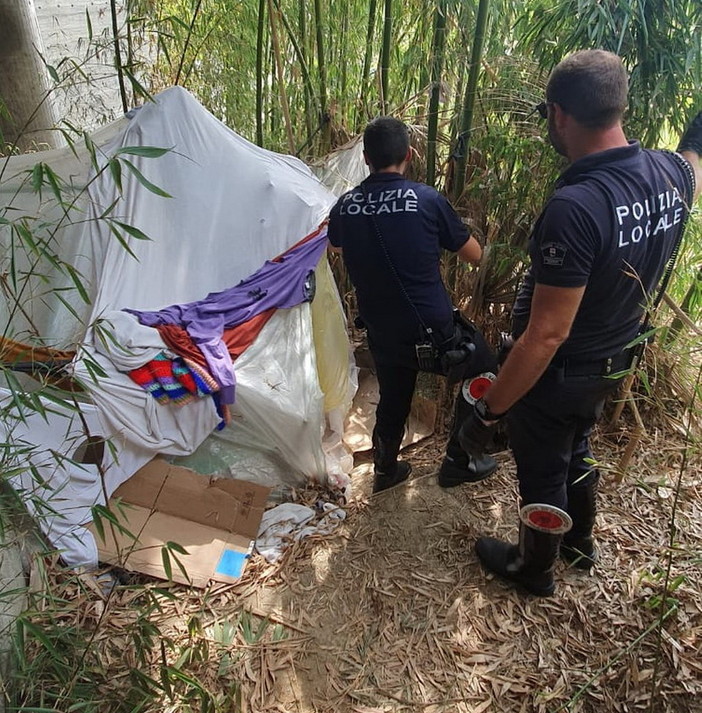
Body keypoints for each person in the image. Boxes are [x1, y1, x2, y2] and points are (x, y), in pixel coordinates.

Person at [458, 49, 701, 597]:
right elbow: (695, 164)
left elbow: (547, 334)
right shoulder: (670, 174)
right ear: (620, 107)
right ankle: (580, 543)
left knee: (543, 464)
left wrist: (490, 408)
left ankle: (534, 567)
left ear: (559, 114)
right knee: (578, 446)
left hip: (563, 371)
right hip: (616, 361)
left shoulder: (577, 206)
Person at [327, 117, 498, 494]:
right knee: (485, 367)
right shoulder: (426, 199)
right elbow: (473, 254)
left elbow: (336, 246)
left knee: (394, 392)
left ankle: (386, 468)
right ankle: (460, 459)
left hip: (382, 330)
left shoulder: (344, 207)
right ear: (409, 154)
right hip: (434, 330)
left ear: (367, 159)